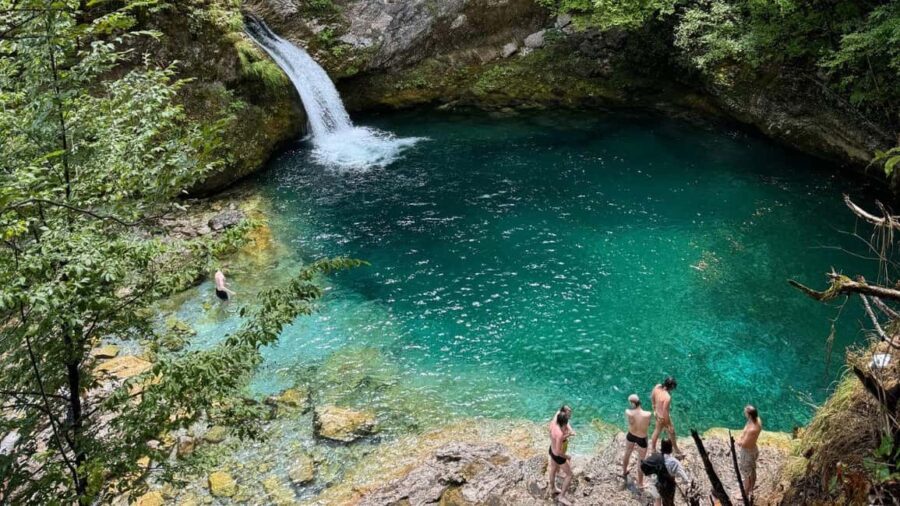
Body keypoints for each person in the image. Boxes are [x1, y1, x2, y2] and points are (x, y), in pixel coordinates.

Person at [643, 439, 692, 506]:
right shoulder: (674, 462)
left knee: (657, 500)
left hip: (655, 482)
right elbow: (684, 477)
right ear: (671, 449)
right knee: (668, 503)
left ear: (661, 448)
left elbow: (645, 465)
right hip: (668, 486)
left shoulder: (656, 457)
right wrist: (688, 482)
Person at [623, 394, 652, 487]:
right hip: (641, 438)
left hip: (631, 435)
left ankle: (624, 471)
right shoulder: (648, 414)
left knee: (627, 453)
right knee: (641, 461)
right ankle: (640, 483)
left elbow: (629, 420)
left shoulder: (628, 412)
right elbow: (648, 425)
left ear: (632, 403)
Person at [548, 407, 575, 505]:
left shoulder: (554, 423)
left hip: (551, 450)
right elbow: (559, 452)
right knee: (569, 475)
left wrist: (567, 434)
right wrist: (567, 457)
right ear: (564, 422)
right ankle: (561, 497)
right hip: (558, 456)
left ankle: (552, 489)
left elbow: (558, 411)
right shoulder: (559, 434)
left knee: (553, 469)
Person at [650, 377, 681, 456]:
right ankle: (676, 450)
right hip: (662, 417)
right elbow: (665, 412)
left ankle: (653, 449)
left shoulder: (657, 387)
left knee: (656, 431)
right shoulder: (667, 397)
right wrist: (668, 424)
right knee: (672, 432)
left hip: (657, 414)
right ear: (671, 387)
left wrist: (654, 408)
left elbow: (652, 396)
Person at [737, 405, 762, 497]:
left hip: (747, 452)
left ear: (750, 415)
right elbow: (747, 427)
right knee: (752, 469)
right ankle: (751, 487)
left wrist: (738, 440)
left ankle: (745, 493)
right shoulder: (757, 419)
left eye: (745, 412)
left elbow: (744, 444)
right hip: (754, 449)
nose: (744, 413)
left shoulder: (752, 429)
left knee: (746, 472)